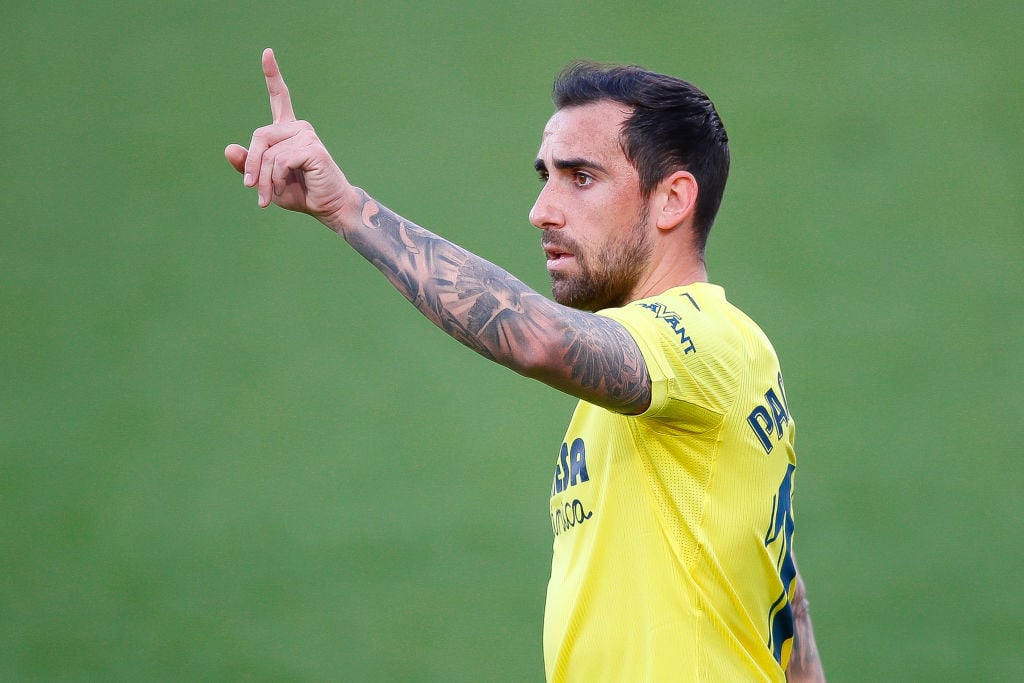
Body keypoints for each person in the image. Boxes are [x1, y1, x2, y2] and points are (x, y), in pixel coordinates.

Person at [226, 48, 825, 682]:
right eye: (545, 176)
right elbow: (786, 599)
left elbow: (538, 338)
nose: (542, 210)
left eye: (581, 178)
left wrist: (347, 208)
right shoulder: (687, 390)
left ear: (672, 199)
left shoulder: (705, 337)